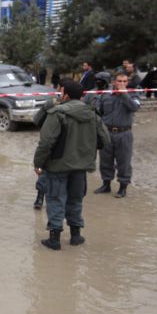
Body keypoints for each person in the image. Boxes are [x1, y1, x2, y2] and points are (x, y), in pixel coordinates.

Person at [34, 79, 110, 250]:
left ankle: (54, 239)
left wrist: (38, 163)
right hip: (80, 167)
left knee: (55, 199)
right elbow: (105, 140)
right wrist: (85, 150)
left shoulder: (57, 113)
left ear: (65, 94)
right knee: (75, 200)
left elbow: (46, 142)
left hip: (57, 166)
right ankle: (76, 236)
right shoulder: (92, 114)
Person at [93, 72, 141, 198]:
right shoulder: (105, 95)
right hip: (107, 132)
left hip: (124, 133)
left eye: (125, 81)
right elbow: (99, 111)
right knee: (105, 160)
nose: (122, 84)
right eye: (119, 81)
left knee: (124, 161)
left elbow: (134, 107)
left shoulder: (133, 94)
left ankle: (123, 187)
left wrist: (124, 94)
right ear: (114, 82)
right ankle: (106, 184)